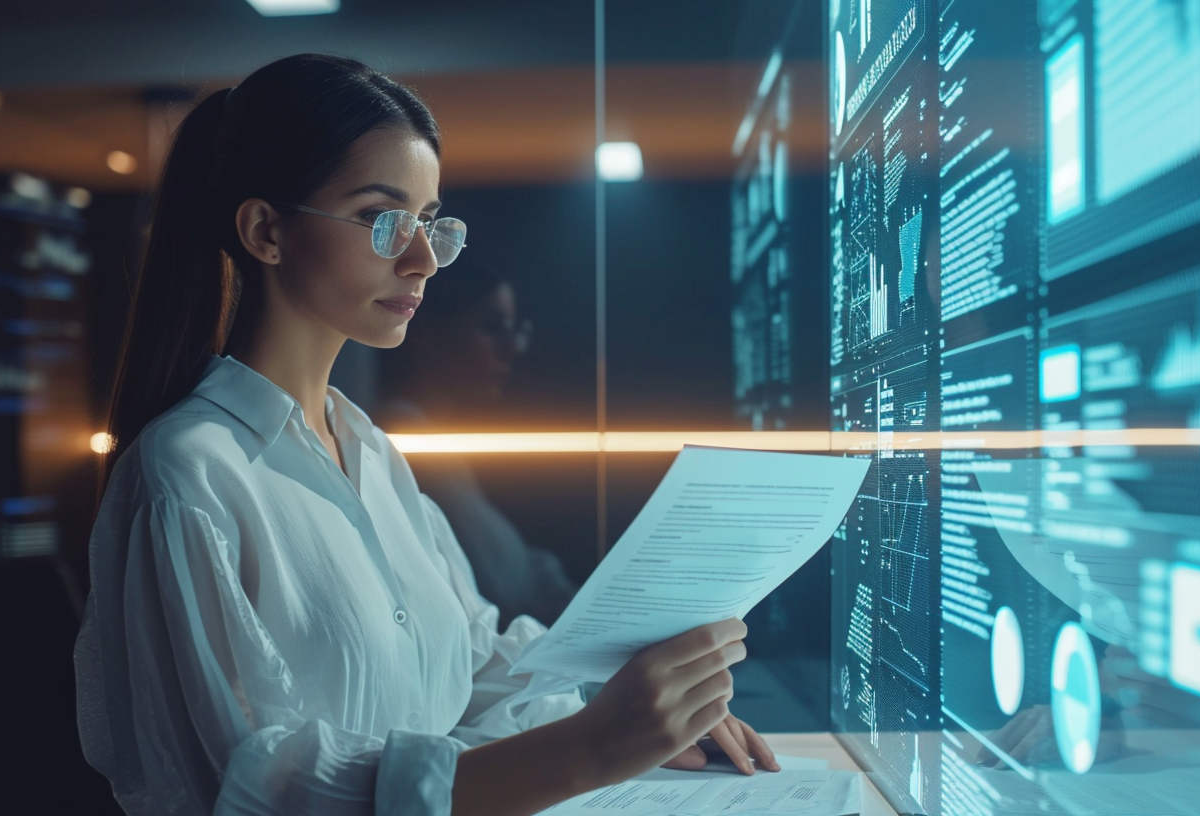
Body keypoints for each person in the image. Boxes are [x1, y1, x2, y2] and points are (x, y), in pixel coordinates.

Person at [74, 54, 778, 816]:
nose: (422, 259)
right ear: (266, 231)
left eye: (430, 222)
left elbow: (471, 668)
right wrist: (591, 745)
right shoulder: (191, 473)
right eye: (384, 220)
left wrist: (625, 711)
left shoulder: (373, 456)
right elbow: (253, 786)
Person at [375, 260, 578, 627]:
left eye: (515, 330)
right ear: (429, 330)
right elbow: (502, 583)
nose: (511, 348)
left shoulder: (432, 438)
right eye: (492, 327)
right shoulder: (405, 435)